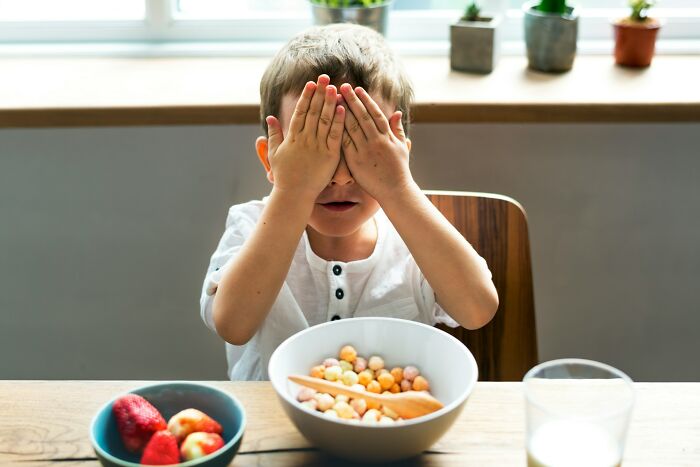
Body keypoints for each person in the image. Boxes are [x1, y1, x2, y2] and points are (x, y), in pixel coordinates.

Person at [200, 23, 498, 380]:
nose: (340, 177)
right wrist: (292, 191)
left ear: (397, 157)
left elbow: (478, 309)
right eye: (313, 150)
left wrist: (399, 188)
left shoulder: (415, 241)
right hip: (276, 428)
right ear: (271, 160)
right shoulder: (250, 226)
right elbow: (232, 324)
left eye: (362, 150)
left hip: (390, 429)